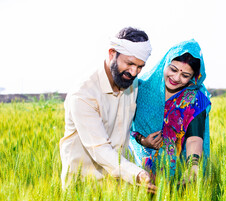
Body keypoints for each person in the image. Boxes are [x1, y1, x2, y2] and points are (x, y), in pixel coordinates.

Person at [60, 27, 156, 192]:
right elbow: (100, 148)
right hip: (82, 190)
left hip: (117, 189)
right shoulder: (83, 94)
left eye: (140, 66)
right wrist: (137, 174)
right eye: (130, 63)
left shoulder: (130, 82)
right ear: (112, 53)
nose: (134, 72)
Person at [129, 39, 211, 181]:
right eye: (173, 69)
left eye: (185, 75)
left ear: (193, 78)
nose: (176, 77)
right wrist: (143, 140)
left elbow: (194, 137)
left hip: (176, 175)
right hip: (139, 170)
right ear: (165, 63)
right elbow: (123, 125)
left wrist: (193, 165)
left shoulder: (195, 99)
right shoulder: (140, 89)